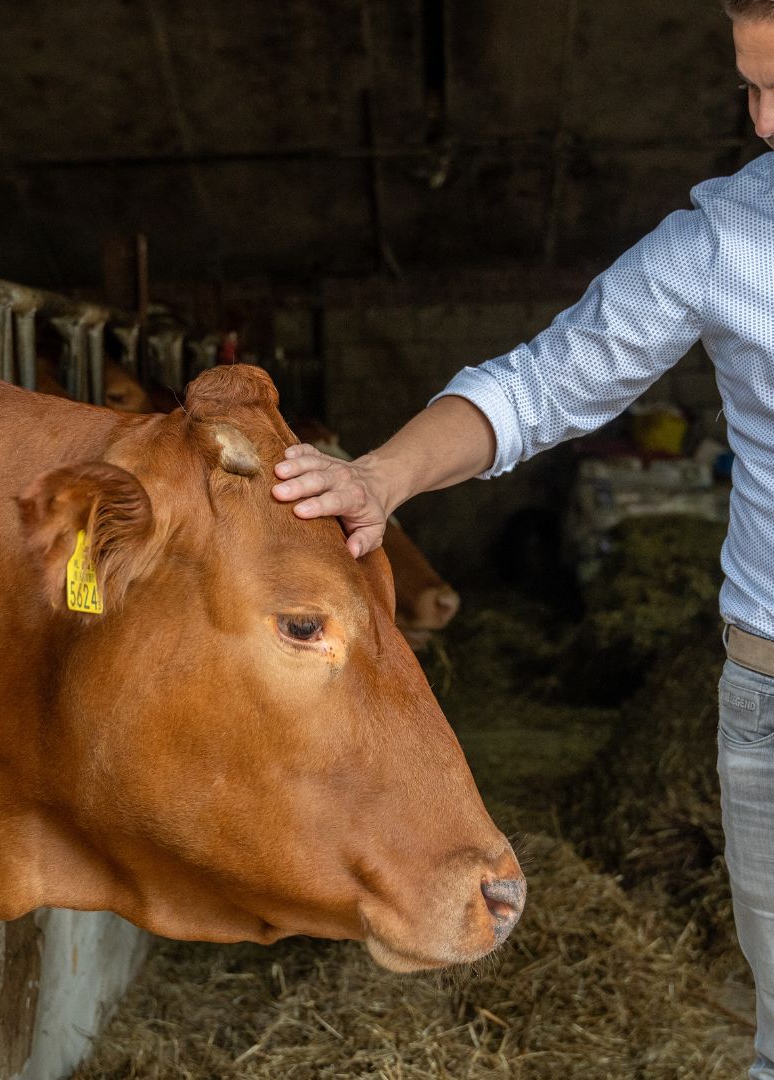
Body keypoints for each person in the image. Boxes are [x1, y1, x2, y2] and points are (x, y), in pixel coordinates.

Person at [272, 4, 774, 1077]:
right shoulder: (726, 238)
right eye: (752, 88)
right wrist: (379, 476)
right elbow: (540, 385)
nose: (767, 123)